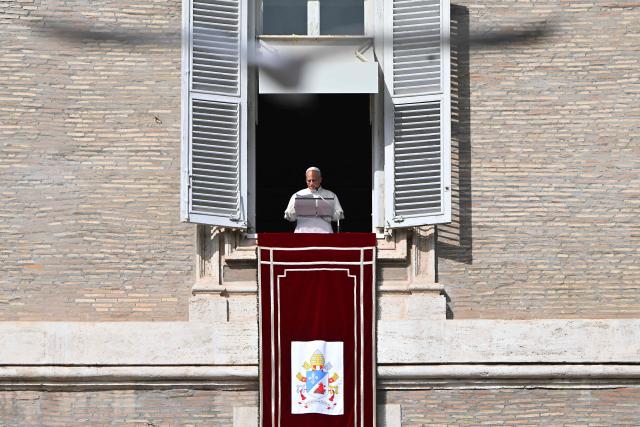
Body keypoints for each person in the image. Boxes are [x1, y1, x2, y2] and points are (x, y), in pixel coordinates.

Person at [284, 167, 344, 233]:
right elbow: (289, 217)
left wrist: (327, 213)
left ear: (320, 179)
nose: (311, 183)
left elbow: (339, 215)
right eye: (309, 181)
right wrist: (296, 210)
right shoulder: (297, 195)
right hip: (302, 234)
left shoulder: (331, 195)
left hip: (325, 234)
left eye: (314, 180)